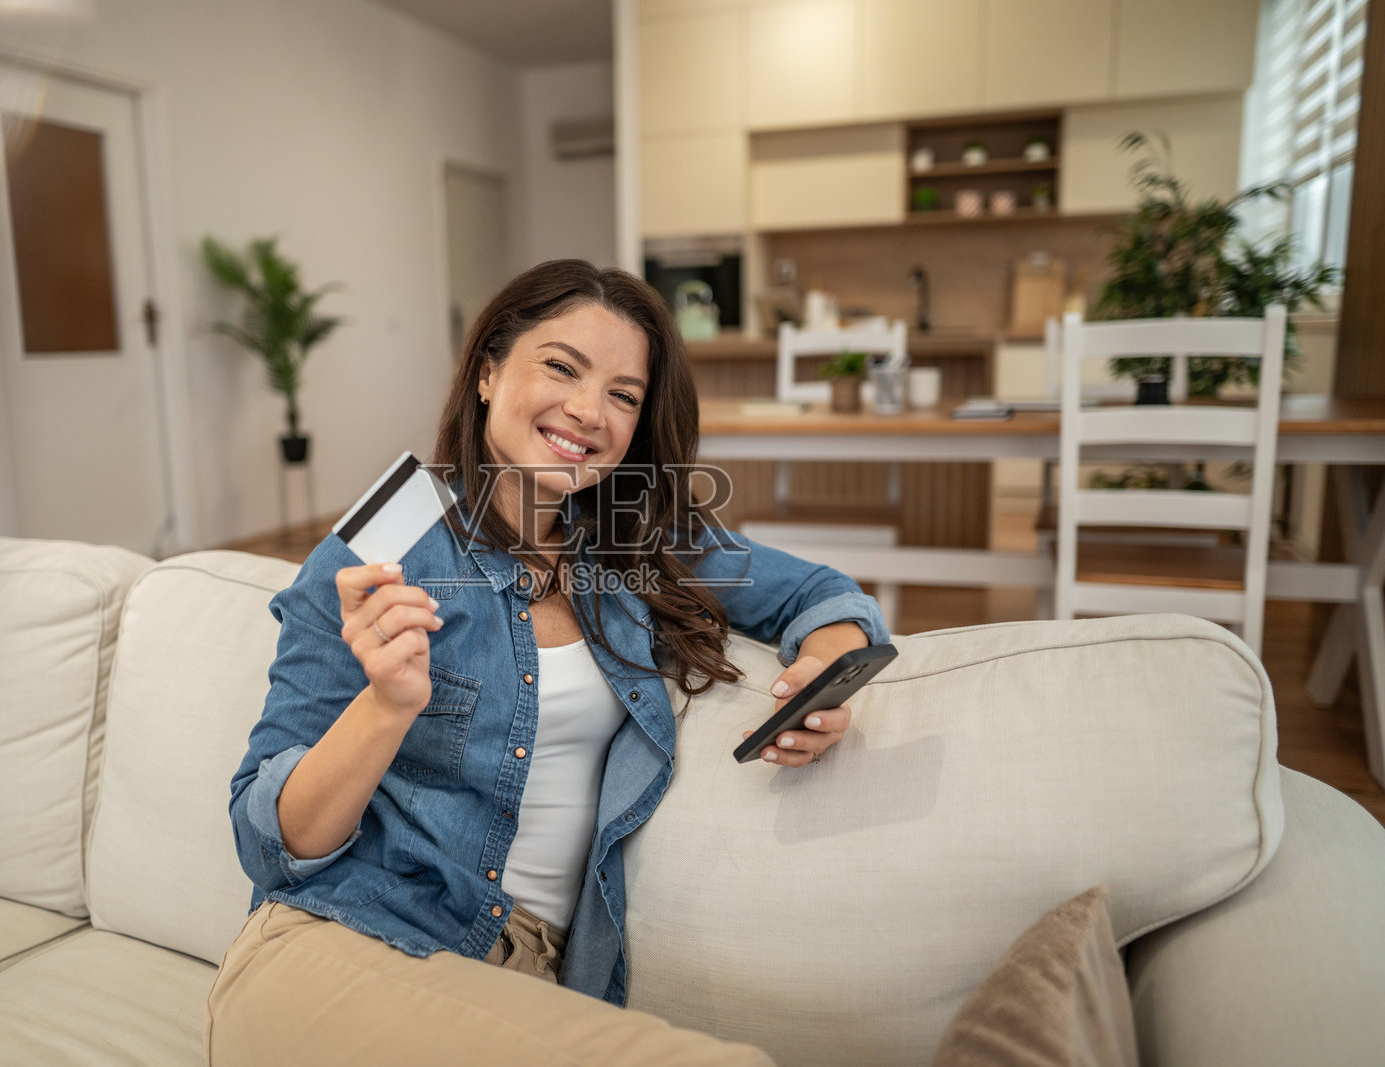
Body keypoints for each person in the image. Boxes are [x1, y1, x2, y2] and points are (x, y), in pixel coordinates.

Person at [206, 260, 889, 1064]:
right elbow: (269, 844)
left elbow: (821, 593)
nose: (589, 410)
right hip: (339, 940)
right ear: (488, 372)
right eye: (562, 366)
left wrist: (821, 675)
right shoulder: (387, 540)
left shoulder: (635, 539)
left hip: (530, 976)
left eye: (623, 395)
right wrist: (386, 705)